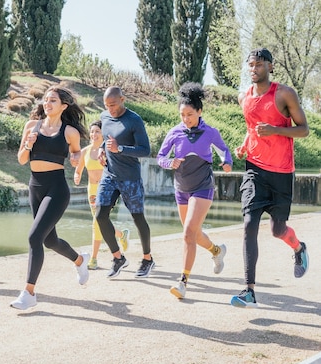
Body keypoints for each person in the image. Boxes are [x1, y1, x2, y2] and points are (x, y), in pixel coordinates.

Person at [230, 48, 310, 308]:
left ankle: (298, 248)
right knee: (249, 224)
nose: (254, 68)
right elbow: (251, 128)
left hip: (282, 172)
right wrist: (245, 145)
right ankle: (249, 290)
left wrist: (276, 129)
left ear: (271, 67)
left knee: (277, 230)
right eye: (251, 64)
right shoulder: (244, 97)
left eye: (259, 64)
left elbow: (304, 130)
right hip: (255, 169)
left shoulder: (285, 93)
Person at [10, 85, 90, 310]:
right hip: (35, 186)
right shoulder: (31, 126)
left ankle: (29, 292)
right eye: (46, 100)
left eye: (53, 100)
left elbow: (76, 154)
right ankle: (79, 260)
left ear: (64, 106)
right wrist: (28, 144)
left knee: (35, 237)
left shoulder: (69, 132)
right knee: (49, 240)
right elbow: (22, 160)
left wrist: (75, 160)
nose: (47, 103)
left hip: (56, 189)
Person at [157, 82, 232, 300]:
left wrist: (227, 163)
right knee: (194, 234)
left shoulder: (210, 133)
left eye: (190, 114)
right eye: (182, 115)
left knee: (188, 233)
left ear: (199, 111)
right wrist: (170, 163)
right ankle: (217, 251)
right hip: (181, 188)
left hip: (202, 186)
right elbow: (160, 157)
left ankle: (183, 282)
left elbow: (224, 151)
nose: (186, 118)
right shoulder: (175, 133)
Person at [96, 86, 155, 278]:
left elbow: (145, 150)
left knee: (138, 218)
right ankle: (118, 258)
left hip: (130, 178)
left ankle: (147, 259)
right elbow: (106, 140)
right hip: (110, 175)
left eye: (113, 104)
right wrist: (102, 150)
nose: (110, 108)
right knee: (100, 215)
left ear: (123, 99)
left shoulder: (134, 120)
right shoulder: (104, 117)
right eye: (107, 105)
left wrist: (120, 148)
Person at [74, 120, 130, 270]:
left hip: (106, 188)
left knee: (97, 222)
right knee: (100, 220)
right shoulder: (85, 151)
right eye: (92, 132)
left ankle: (93, 258)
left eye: (97, 131)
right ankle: (120, 235)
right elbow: (78, 170)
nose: (94, 134)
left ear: (103, 133)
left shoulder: (108, 149)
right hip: (92, 190)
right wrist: (77, 176)